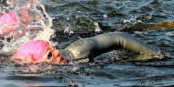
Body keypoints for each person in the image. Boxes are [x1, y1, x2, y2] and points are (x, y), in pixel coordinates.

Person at [12, 32, 163, 64]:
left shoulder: (79, 51)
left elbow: (119, 38)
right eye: (49, 55)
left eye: (52, 49)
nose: (57, 52)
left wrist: (154, 54)